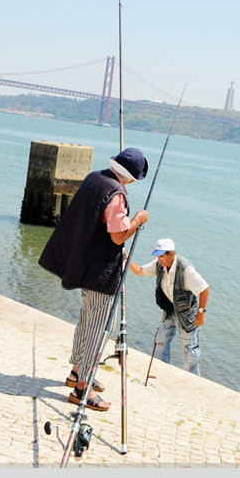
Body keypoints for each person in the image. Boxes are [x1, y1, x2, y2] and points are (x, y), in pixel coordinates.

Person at [39, 147, 149, 412]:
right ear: (130, 177)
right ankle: (83, 388)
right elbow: (118, 235)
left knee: (87, 318)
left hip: (85, 265)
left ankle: (77, 371)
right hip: (101, 272)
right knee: (100, 329)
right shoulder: (117, 194)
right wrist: (138, 220)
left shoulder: (94, 178)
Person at [128, 238, 209, 375]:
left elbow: (204, 288)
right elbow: (139, 271)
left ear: (171, 254)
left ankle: (191, 378)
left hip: (187, 314)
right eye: (157, 255)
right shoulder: (159, 265)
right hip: (170, 310)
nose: (158, 259)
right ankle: (161, 370)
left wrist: (201, 312)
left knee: (190, 349)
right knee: (160, 340)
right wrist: (126, 259)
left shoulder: (186, 269)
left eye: (161, 255)